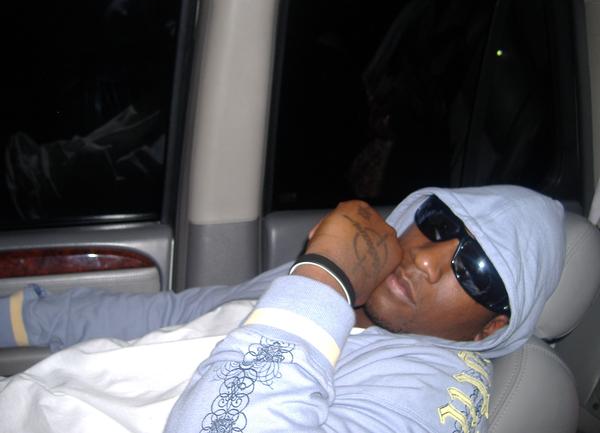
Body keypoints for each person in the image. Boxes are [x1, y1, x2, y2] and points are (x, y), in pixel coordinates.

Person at [0, 185, 565, 433]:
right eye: (440, 225)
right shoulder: (332, 291)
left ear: (490, 327)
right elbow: (174, 315)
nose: (425, 259)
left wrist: (326, 279)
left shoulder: (431, 389)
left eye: (477, 271)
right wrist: (21, 315)